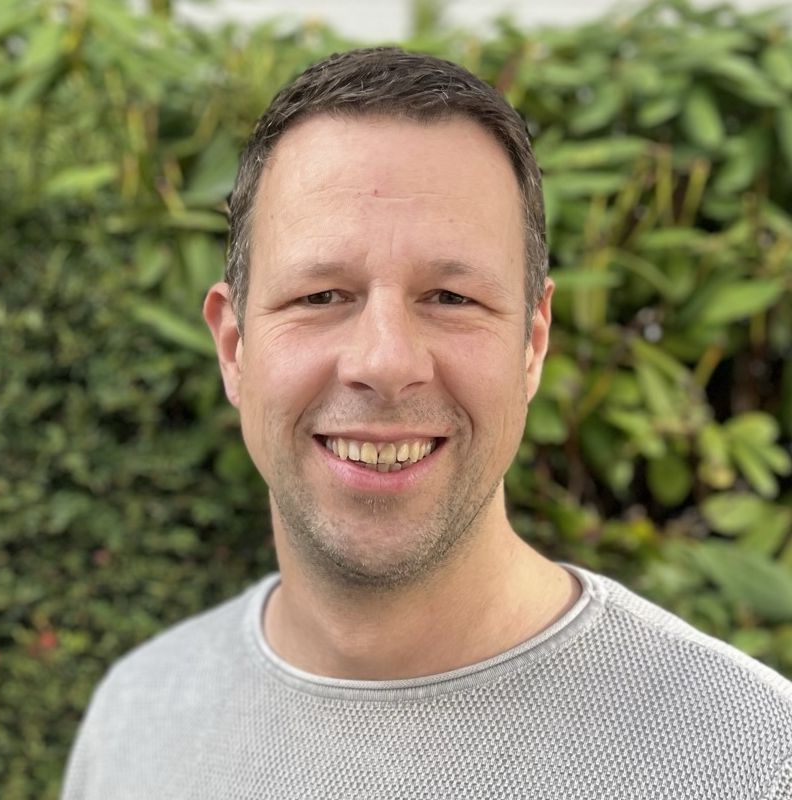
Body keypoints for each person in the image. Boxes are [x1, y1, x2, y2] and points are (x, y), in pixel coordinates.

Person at [62, 47, 792, 799]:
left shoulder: (753, 762)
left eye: (451, 298)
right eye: (321, 296)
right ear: (233, 347)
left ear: (533, 344)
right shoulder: (135, 718)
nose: (384, 362)